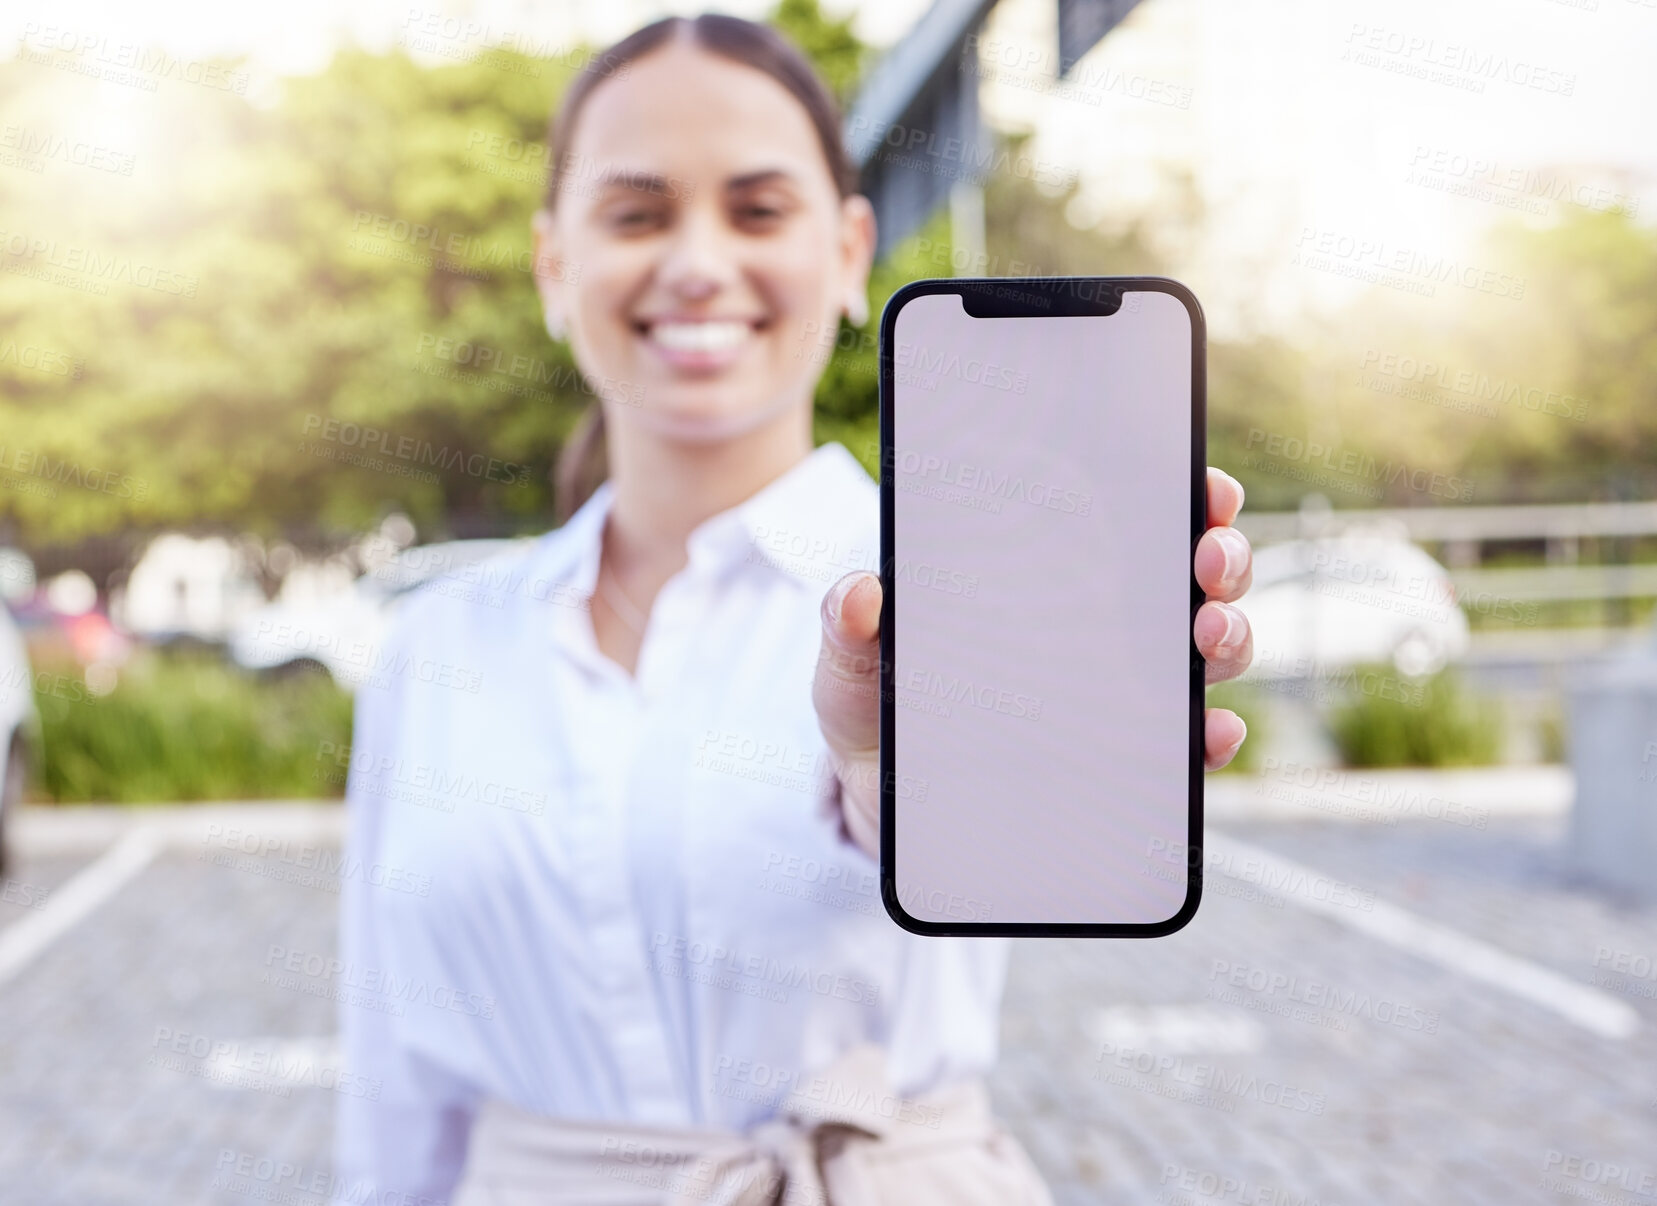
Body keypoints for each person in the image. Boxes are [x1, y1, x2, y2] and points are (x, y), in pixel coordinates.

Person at [332, 13, 1255, 1204]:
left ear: (849, 249)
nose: (699, 260)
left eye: (758, 209)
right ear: (553, 264)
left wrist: (900, 779)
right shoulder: (438, 646)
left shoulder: (953, 585)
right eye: (637, 211)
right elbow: (396, 1091)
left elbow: (919, 822)